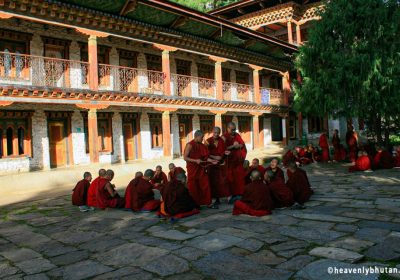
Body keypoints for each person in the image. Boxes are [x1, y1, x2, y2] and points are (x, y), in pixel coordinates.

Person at [184, 130, 217, 207]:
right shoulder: (190, 145)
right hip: (193, 169)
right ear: (197, 136)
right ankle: (195, 204)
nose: (202, 139)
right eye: (201, 138)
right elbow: (185, 157)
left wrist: (212, 161)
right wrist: (195, 160)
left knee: (205, 184)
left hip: (201, 169)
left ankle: (208, 203)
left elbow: (205, 158)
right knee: (193, 187)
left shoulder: (202, 146)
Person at [222, 122, 247, 202]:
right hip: (229, 162)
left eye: (234, 129)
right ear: (228, 129)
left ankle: (239, 193)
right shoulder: (224, 137)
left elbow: (242, 144)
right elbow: (222, 148)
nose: (233, 131)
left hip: (238, 162)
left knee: (239, 177)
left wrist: (238, 145)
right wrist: (233, 146)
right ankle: (230, 195)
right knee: (230, 178)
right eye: (232, 130)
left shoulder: (237, 135)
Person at [205, 127, 229, 208]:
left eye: (218, 133)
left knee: (219, 181)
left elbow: (223, 151)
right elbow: (205, 154)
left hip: (219, 164)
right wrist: (214, 157)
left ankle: (218, 198)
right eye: (215, 132)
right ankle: (212, 198)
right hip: (211, 164)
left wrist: (226, 153)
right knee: (212, 181)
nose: (216, 134)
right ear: (212, 132)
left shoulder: (221, 141)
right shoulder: (208, 141)